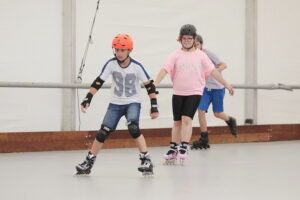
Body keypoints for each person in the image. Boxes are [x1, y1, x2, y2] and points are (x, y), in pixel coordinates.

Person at [75, 34, 159, 176]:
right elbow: (98, 82)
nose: (119, 53)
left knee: (133, 128)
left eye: (123, 50)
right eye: (117, 50)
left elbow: (149, 86)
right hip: (115, 103)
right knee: (103, 132)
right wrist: (88, 97)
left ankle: (146, 160)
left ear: (129, 51)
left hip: (132, 102)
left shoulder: (136, 67)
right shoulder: (111, 64)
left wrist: (154, 106)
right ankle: (88, 162)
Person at [154, 24, 234, 164]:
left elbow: (213, 71)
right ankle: (174, 148)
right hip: (178, 92)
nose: (187, 41)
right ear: (180, 39)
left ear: (194, 39)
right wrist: (154, 84)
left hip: (195, 92)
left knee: (187, 119)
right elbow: (165, 69)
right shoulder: (175, 55)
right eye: (184, 38)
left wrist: (226, 84)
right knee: (177, 121)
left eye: (189, 39)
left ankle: (184, 146)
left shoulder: (201, 55)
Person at [191, 35, 238, 150]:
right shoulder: (193, 57)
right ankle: (204, 138)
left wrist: (214, 71)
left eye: (197, 45)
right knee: (201, 110)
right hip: (205, 89)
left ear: (201, 44)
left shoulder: (209, 54)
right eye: (194, 46)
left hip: (218, 88)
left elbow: (224, 65)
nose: (196, 48)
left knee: (217, 113)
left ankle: (230, 120)